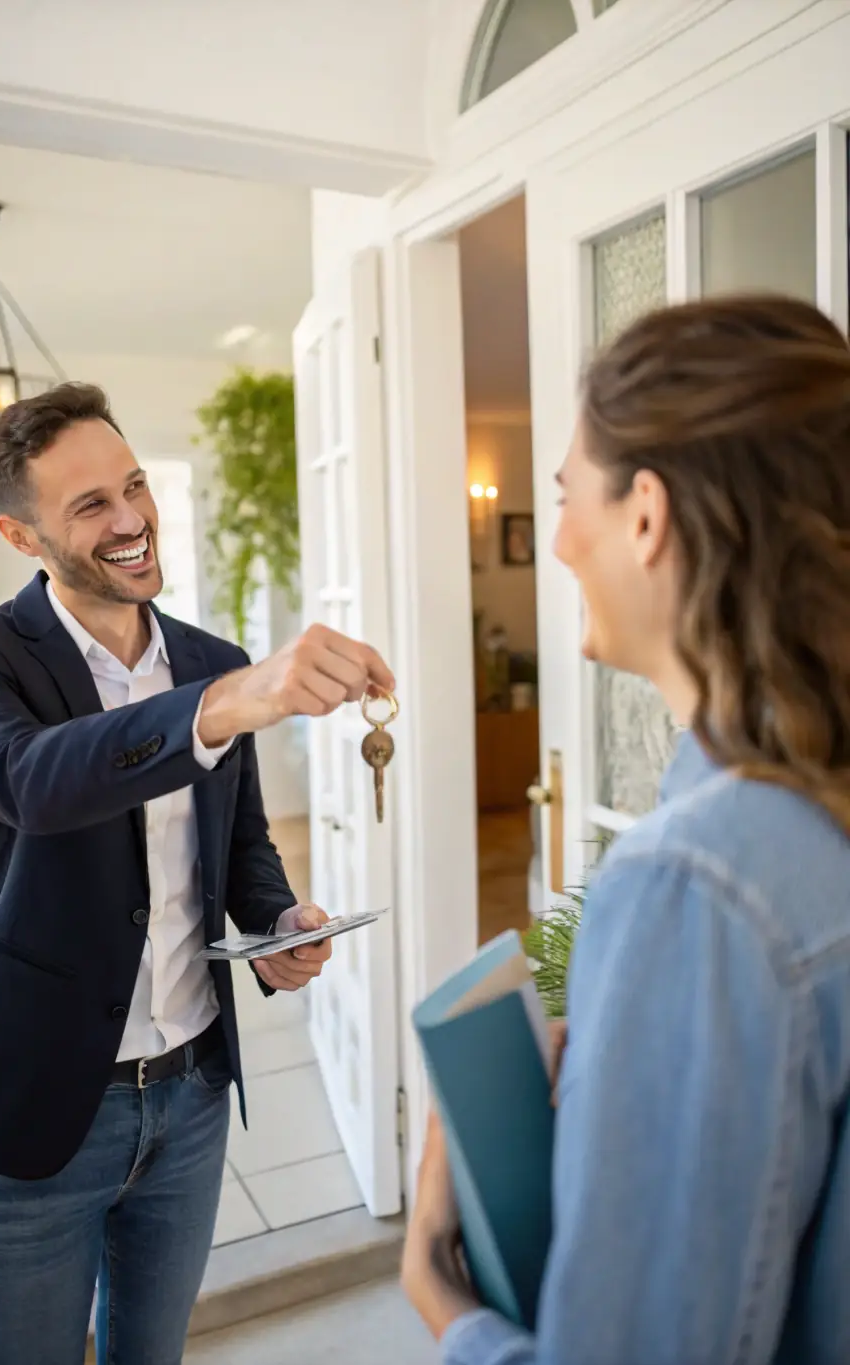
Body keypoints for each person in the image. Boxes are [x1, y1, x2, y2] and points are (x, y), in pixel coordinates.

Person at [0, 382, 395, 1365]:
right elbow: (30, 782)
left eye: (133, 486)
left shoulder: (210, 657)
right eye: (90, 505)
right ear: (20, 533)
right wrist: (218, 707)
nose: (131, 521)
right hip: (44, 1104)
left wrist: (274, 922)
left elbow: (239, 841)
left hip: (191, 1095)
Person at [402, 295, 850, 1365]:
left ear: (645, 514)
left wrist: (437, 1292)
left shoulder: (700, 881)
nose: (555, 543)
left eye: (567, 499)